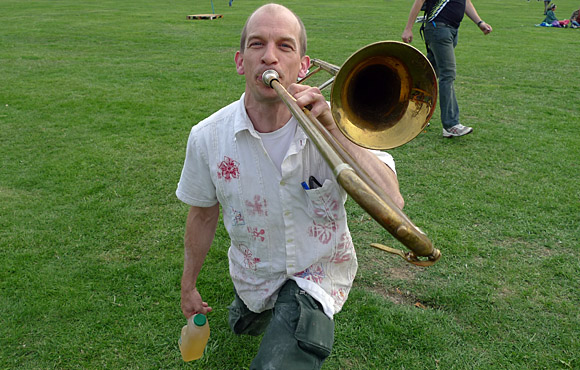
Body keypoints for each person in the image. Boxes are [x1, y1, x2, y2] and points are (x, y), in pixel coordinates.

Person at [176, 3, 404, 369]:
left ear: (303, 65)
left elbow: (392, 200)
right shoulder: (207, 138)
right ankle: (255, 309)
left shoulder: (337, 126)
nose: (269, 57)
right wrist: (188, 286)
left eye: (285, 46)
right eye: (256, 45)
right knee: (243, 322)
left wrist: (333, 130)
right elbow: (202, 215)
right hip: (256, 273)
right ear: (240, 61)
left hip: (318, 274)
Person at [401, 0, 493, 138]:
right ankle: (451, 124)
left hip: (450, 30)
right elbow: (419, 1)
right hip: (439, 29)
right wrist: (408, 28)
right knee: (447, 74)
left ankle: (412, 116)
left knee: (428, 76)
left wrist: (479, 22)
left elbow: (465, 1)